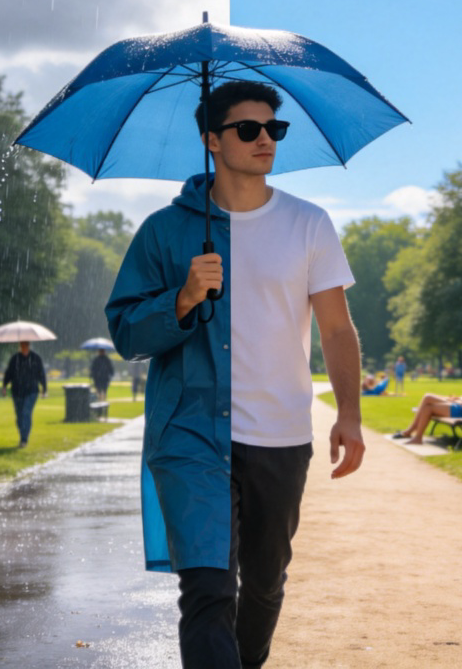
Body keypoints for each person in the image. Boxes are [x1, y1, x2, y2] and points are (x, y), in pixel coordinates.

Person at [106, 80, 365, 669]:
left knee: (266, 583)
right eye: (248, 129)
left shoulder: (309, 223)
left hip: (280, 434)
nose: (264, 139)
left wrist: (349, 415)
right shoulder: (165, 232)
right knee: (208, 590)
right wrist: (183, 297)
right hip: (191, 433)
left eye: (274, 129)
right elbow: (126, 332)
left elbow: (336, 330)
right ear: (212, 140)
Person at [392, 363, 462, 444]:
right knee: (427, 398)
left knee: (428, 405)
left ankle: (414, 435)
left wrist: (459, 400)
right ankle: (412, 434)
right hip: (458, 405)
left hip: (461, 410)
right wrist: (457, 398)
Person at [2, 340, 47, 447]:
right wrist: (4, 386)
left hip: (31, 391)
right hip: (17, 391)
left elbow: (41, 374)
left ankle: (24, 439)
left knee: (26, 413)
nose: (24, 347)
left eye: (26, 345)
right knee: (19, 416)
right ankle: (22, 435)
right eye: (22, 345)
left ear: (29, 345)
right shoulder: (15, 359)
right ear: (20, 345)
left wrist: (44, 389)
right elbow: (9, 373)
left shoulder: (36, 358)